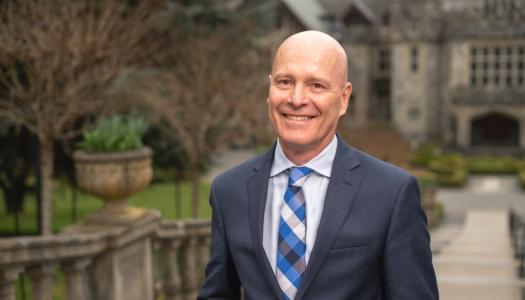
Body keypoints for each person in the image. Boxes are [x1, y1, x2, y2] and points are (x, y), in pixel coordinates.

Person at [197, 30, 438, 300]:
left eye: (317, 86)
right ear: (270, 88)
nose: (297, 99)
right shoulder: (229, 191)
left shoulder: (392, 193)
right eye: (285, 82)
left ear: (344, 98)